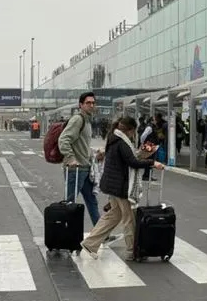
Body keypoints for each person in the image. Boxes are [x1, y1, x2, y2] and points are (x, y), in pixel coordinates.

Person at [80, 116, 164, 261]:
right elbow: (132, 162)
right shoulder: (122, 142)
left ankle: (89, 243)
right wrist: (152, 162)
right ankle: (133, 251)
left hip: (113, 185)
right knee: (129, 219)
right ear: (130, 130)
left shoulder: (113, 138)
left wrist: (141, 153)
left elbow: (127, 158)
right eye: (133, 132)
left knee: (114, 216)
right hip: (121, 187)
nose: (133, 135)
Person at [58, 92, 100, 226]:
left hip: (86, 168)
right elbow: (63, 140)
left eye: (93, 103)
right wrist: (71, 158)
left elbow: (81, 144)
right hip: (75, 169)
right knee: (69, 203)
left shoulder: (88, 120)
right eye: (88, 103)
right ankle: (64, 233)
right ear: (80, 105)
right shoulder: (78, 119)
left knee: (92, 201)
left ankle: (101, 233)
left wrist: (93, 153)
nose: (91, 105)